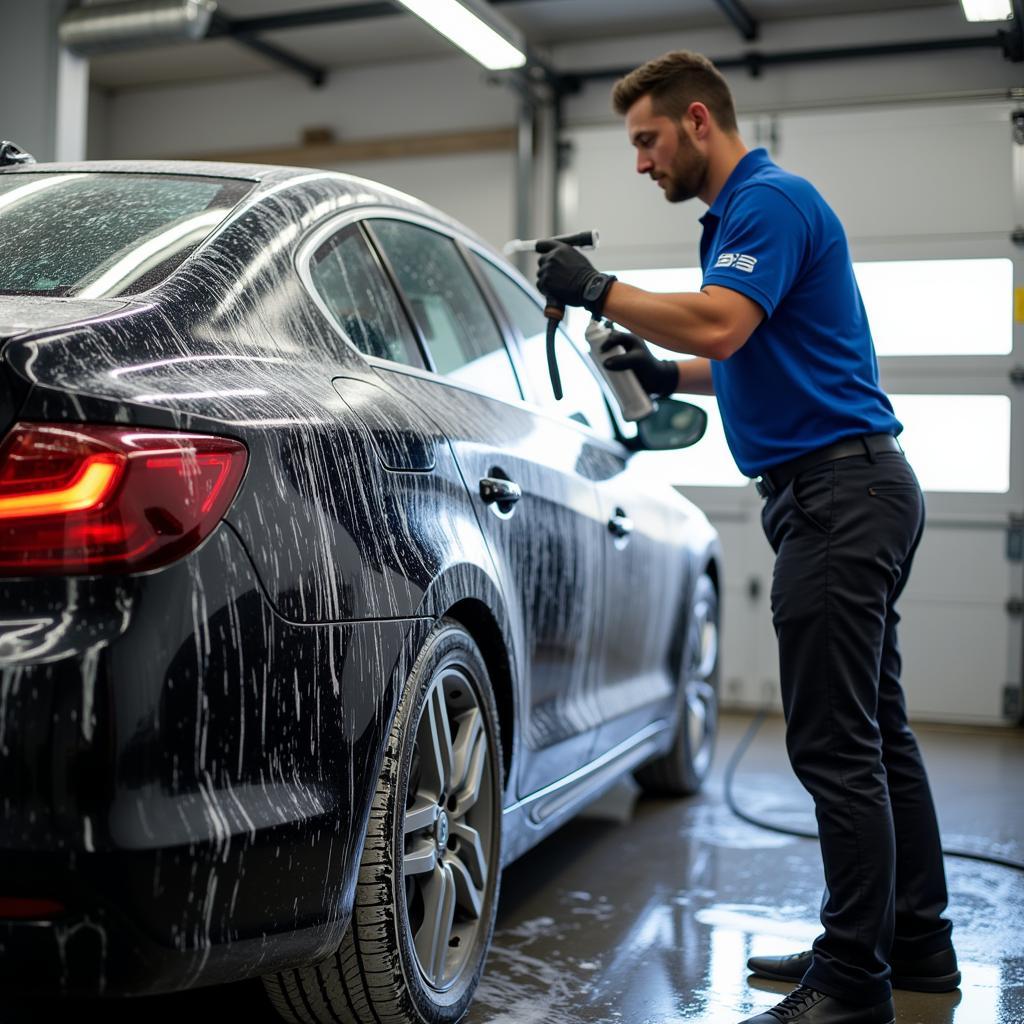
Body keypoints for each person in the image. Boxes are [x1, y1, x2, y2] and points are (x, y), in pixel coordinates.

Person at [535, 50, 958, 1024]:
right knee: (875, 734)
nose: (639, 162)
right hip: (855, 487)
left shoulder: (764, 202)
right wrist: (656, 364)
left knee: (834, 743)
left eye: (645, 140)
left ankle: (852, 980)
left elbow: (724, 325)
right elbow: (742, 357)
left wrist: (597, 289)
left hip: (836, 498)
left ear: (695, 120)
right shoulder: (741, 219)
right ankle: (915, 947)